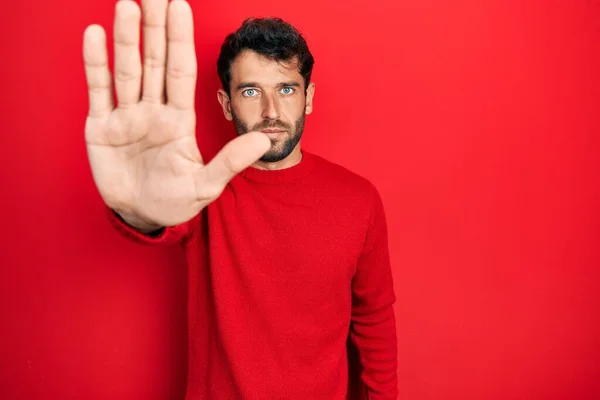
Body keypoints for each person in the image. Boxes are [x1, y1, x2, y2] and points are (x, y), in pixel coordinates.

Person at [82, 0, 398, 398]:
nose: (271, 111)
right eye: (251, 91)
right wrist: (136, 211)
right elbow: (160, 218)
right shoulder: (200, 187)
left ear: (309, 97)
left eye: (286, 89)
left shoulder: (359, 198)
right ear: (226, 103)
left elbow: (374, 319)